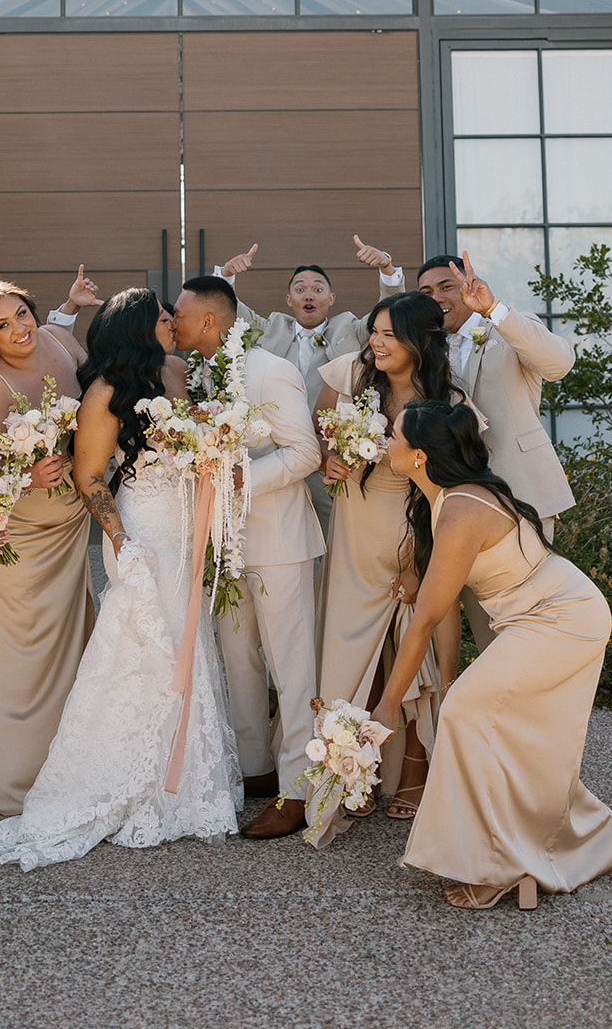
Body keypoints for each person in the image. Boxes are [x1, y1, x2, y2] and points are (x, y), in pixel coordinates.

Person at [0, 288, 241, 869]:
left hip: (186, 528)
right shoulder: (105, 393)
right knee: (146, 651)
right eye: (165, 319)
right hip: (139, 531)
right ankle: (126, 779)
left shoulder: (179, 374)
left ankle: (187, 785)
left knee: (189, 649)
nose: (174, 325)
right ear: (141, 327)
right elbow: (91, 478)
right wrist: (123, 543)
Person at [373, 400, 612, 910]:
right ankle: (589, 838)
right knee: (488, 722)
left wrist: (389, 704)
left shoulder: (460, 508)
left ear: (418, 456)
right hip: (537, 621)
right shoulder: (446, 499)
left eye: (393, 435)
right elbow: (445, 606)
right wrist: (448, 677)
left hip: (563, 619)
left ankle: (497, 868)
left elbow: (426, 616)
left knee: (468, 713)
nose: (385, 440)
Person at [171, 275, 321, 839]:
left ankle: (302, 789)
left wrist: (240, 479)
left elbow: (304, 452)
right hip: (222, 544)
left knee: (291, 663)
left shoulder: (268, 369)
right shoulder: (198, 375)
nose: (174, 324)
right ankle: (257, 769)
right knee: (239, 662)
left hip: (279, 542)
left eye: (180, 316)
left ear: (209, 322)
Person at [313, 292, 465, 840]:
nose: (375, 343)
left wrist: (424, 567)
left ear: (420, 341)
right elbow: (320, 425)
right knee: (361, 653)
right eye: (373, 331)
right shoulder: (353, 375)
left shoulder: (450, 400)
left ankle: (417, 768)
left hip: (416, 536)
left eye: (388, 334)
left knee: (412, 649)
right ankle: (357, 768)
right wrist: (331, 456)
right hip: (355, 530)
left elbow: (454, 492)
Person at [0, 271, 100, 814]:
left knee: (70, 644)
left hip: (67, 520)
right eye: (2, 324)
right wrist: (25, 477)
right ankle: (8, 774)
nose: (18, 329)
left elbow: (98, 384)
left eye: (22, 314)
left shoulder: (59, 342)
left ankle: (69, 761)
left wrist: (69, 308)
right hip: (18, 528)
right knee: (17, 652)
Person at [417, 250, 576, 648]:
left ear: (467, 286)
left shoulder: (508, 329)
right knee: (486, 627)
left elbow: (559, 364)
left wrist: (492, 309)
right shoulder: (426, 352)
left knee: (533, 617)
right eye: (426, 291)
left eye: (446, 286)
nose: (436, 297)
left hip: (523, 491)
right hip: (461, 502)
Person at [215, 236, 402, 543]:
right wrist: (226, 277)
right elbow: (226, 310)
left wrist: (386, 268)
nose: (308, 294)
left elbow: (392, 309)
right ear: (289, 299)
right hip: (279, 456)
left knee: (336, 542)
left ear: (331, 298)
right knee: (282, 543)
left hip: (330, 458)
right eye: (300, 289)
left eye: (317, 288)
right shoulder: (271, 326)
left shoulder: (350, 328)